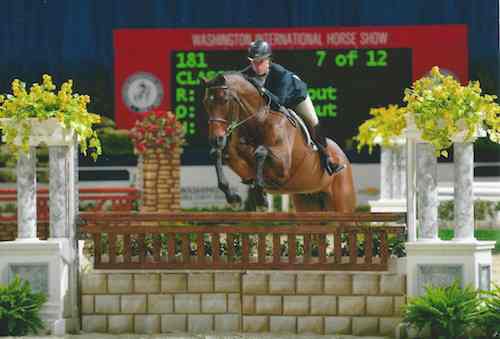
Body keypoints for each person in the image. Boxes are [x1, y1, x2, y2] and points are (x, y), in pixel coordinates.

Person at [241, 39, 345, 175]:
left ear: (268, 60)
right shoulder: (247, 73)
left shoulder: (280, 74)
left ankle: (329, 159)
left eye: (260, 62)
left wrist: (261, 89)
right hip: (275, 102)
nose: (256, 66)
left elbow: (279, 102)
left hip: (296, 98)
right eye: (253, 62)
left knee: (313, 122)